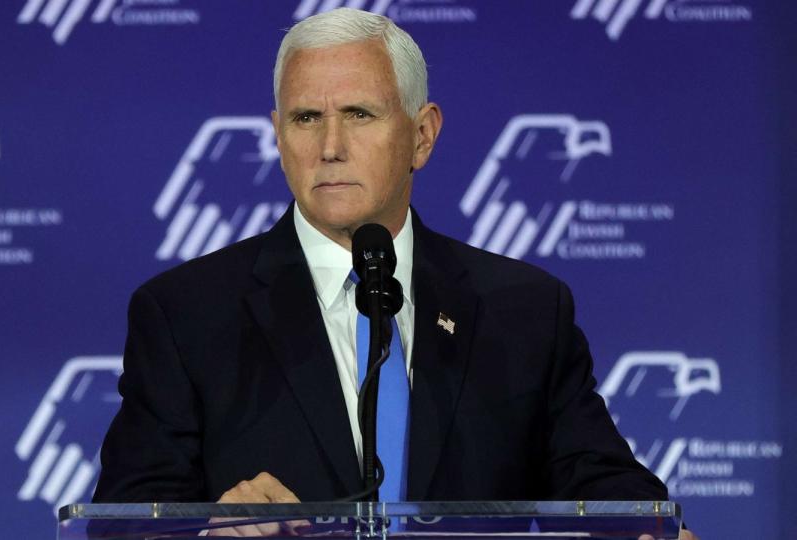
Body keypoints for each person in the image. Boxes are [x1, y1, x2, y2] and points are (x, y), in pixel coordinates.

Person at [94, 7, 697, 539]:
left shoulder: (524, 310)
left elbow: (598, 478)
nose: (331, 145)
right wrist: (209, 534)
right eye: (306, 118)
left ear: (422, 135)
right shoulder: (186, 314)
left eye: (359, 113)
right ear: (278, 137)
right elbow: (122, 521)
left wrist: (652, 531)